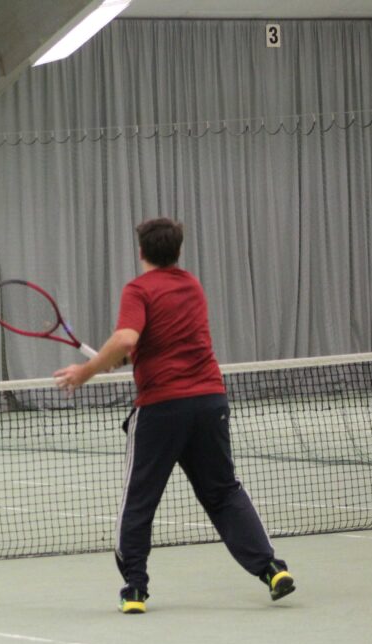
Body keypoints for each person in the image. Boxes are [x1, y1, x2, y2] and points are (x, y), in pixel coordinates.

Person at [53, 217, 294, 614]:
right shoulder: (192, 286)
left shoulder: (138, 289)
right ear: (178, 251)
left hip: (162, 409)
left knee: (139, 499)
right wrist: (120, 359)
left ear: (141, 252)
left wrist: (85, 371)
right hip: (210, 402)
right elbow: (154, 342)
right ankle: (272, 569)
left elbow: (127, 338)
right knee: (223, 492)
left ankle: (135, 589)